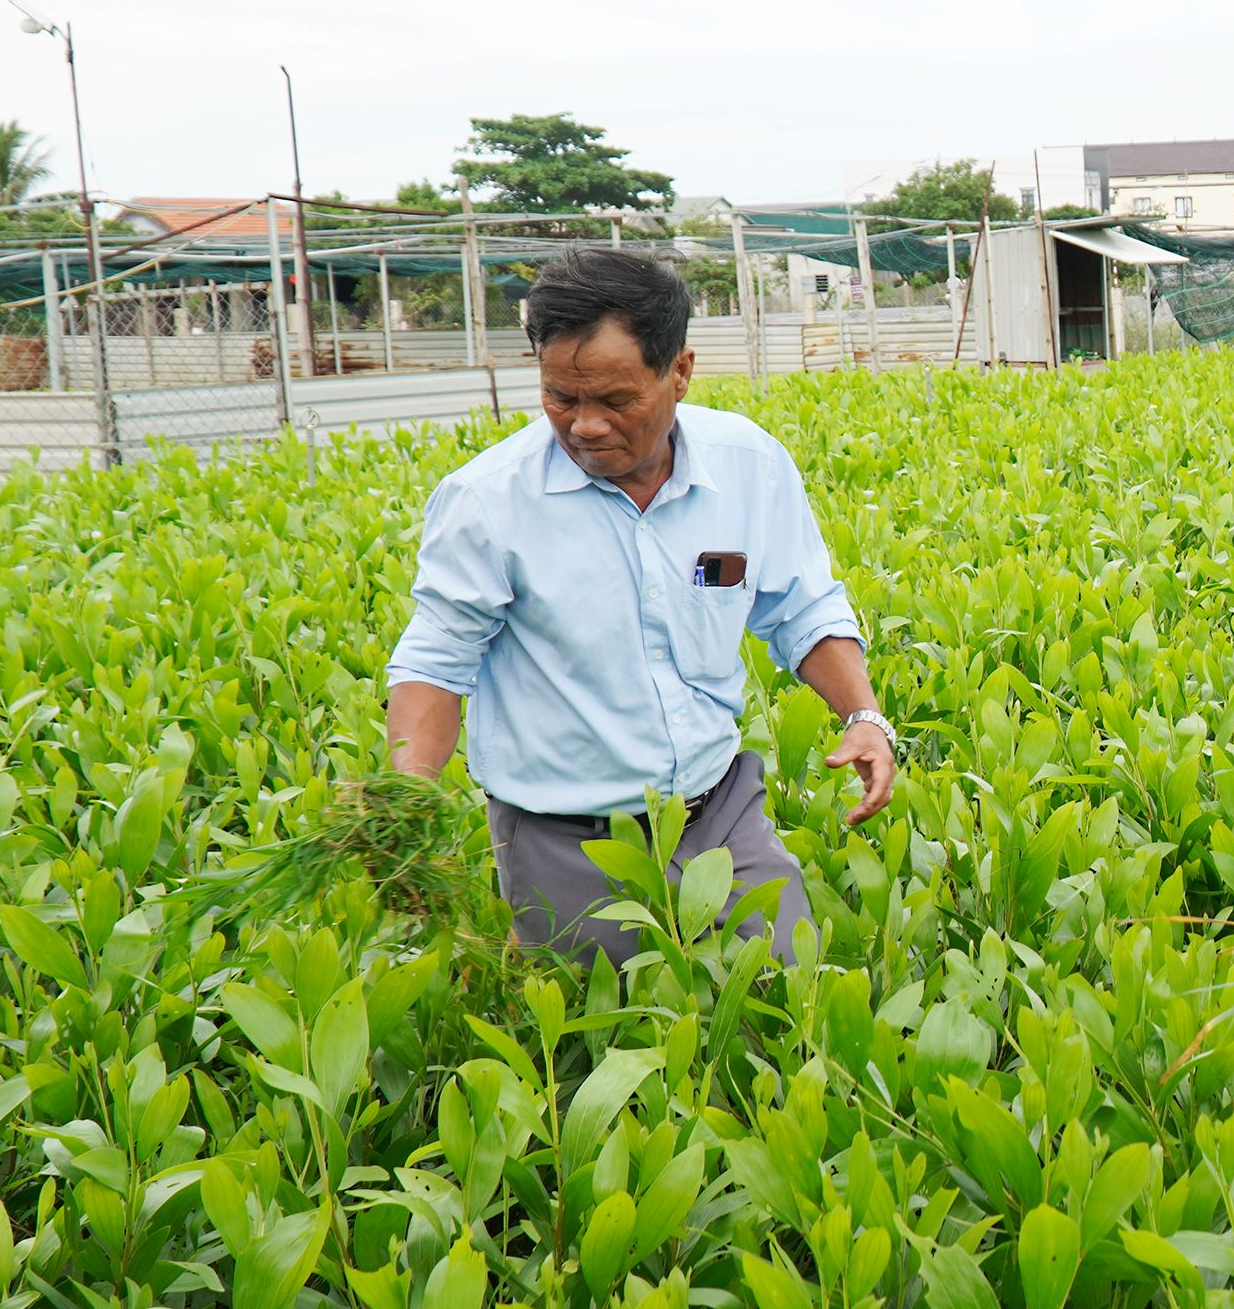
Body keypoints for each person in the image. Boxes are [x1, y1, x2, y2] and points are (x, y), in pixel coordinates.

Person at [381, 246, 900, 962]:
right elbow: (438, 662)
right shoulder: (489, 502)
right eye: (562, 397)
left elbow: (801, 607)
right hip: (564, 833)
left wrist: (864, 716)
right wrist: (404, 804)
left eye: (617, 401)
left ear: (679, 372)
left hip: (718, 809)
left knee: (787, 984)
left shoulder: (748, 465)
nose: (585, 426)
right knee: (602, 1037)